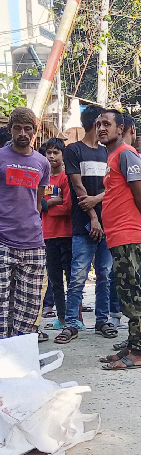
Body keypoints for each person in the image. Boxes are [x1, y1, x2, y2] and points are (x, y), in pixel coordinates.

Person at [96, 109, 141, 370]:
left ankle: (139, 354)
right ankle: (133, 346)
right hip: (117, 236)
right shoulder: (114, 156)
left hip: (127, 235)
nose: (101, 128)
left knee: (131, 293)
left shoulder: (126, 154)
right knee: (126, 292)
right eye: (99, 124)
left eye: (107, 124)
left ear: (120, 128)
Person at [61, 104, 118, 343]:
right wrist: (94, 218)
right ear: (95, 123)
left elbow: (114, 187)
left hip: (109, 226)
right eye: (102, 122)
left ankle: (102, 320)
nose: (104, 126)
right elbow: (78, 188)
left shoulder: (109, 154)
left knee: (105, 275)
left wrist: (98, 205)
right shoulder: (73, 150)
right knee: (77, 276)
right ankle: (71, 323)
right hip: (83, 224)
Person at [0, 108, 49, 339]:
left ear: (34, 131)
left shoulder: (42, 162)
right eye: (17, 128)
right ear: (9, 130)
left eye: (27, 128)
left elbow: (37, 203)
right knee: (2, 308)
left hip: (33, 243)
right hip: (3, 241)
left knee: (28, 309)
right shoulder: (1, 157)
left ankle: (21, 360)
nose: (22, 133)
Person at [40, 138, 73, 338]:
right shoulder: (41, 178)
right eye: (49, 153)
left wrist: (45, 205)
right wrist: (51, 203)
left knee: (71, 278)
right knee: (54, 279)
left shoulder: (65, 178)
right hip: (47, 234)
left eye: (56, 153)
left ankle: (72, 317)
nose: (51, 157)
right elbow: (38, 205)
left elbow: (68, 207)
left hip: (66, 234)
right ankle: (61, 317)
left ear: (62, 155)